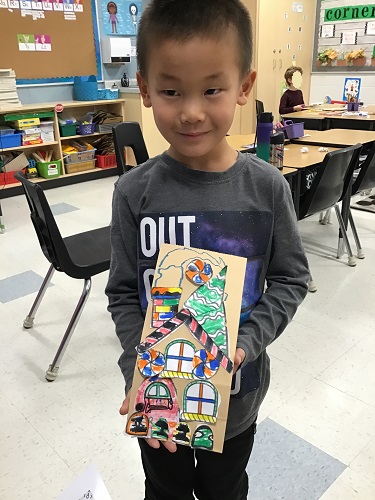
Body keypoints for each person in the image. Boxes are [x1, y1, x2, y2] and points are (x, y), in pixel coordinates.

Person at [105, 1, 310, 499]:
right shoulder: (135, 193)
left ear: (243, 87)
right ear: (146, 89)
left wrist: (247, 343)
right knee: (165, 490)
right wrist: (141, 367)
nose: (192, 111)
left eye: (212, 89)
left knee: (225, 488)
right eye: (172, 90)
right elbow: (124, 294)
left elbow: (291, 279)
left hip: (236, 397)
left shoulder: (265, 188)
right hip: (158, 397)